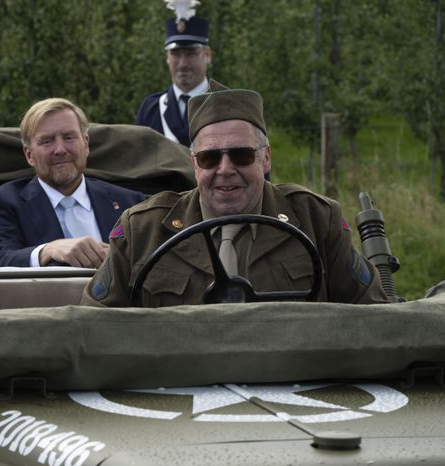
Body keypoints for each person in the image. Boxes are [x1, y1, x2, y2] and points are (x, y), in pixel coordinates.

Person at [84, 89, 390, 307]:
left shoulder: (316, 219)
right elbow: (92, 323)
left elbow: (373, 314)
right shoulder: (143, 230)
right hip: (177, 390)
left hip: (290, 387)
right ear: (194, 164)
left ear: (266, 158)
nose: (225, 170)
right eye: (209, 158)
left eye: (242, 155)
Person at [0, 98, 146, 268]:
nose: (60, 150)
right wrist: (47, 251)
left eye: (69, 137)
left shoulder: (130, 204)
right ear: (29, 155)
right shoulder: (3, 203)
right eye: (47, 141)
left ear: (86, 145)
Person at [135, 15, 226, 147]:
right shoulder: (151, 109)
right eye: (175, 54)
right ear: (167, 58)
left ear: (207, 55)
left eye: (191, 54)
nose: (183, 64)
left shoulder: (227, 105)